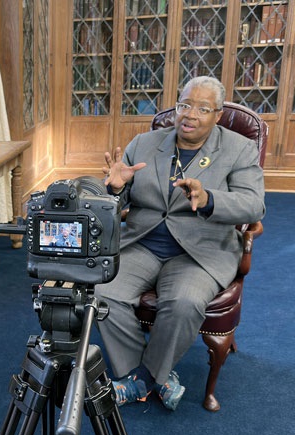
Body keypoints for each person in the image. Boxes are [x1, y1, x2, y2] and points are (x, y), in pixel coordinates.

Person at [97, 75, 265, 410]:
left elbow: (253, 205)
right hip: (143, 242)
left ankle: (141, 380)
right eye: (184, 104)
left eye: (202, 109)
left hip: (201, 250)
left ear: (217, 115)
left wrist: (210, 200)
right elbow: (117, 201)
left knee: (185, 303)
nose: (189, 114)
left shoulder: (238, 148)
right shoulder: (145, 143)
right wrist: (115, 189)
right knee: (101, 292)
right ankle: (147, 376)